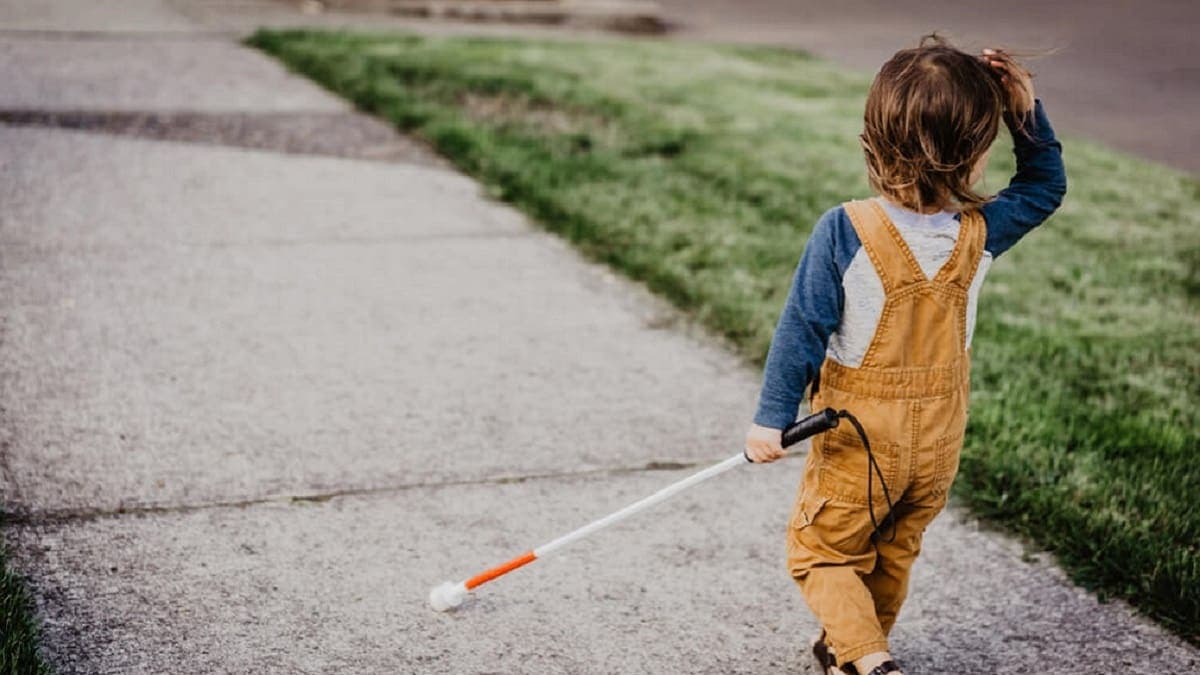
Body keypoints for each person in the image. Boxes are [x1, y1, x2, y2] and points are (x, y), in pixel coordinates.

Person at [743, 36, 1066, 675]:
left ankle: (869, 659)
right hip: (938, 439)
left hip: (860, 437)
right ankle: (848, 652)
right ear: (975, 158)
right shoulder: (980, 233)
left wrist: (770, 418)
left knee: (822, 553)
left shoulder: (844, 230)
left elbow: (802, 329)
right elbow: (1044, 184)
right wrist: (1024, 113)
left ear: (872, 139)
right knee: (893, 550)